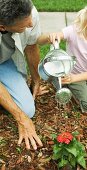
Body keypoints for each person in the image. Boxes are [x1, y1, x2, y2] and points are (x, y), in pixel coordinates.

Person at [0, 0, 49, 150]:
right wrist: (21, 119)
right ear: (2, 27)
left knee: (28, 109)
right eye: (24, 25)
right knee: (23, 114)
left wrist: (36, 80)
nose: (31, 24)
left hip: (4, 61)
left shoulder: (29, 13)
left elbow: (32, 45)